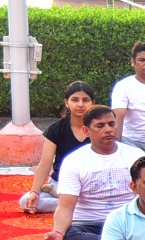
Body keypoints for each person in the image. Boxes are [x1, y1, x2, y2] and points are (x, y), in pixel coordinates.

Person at [43, 105, 143, 240]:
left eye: (111, 124)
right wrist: (58, 232)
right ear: (86, 131)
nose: (108, 129)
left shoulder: (135, 155)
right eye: (100, 125)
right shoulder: (74, 161)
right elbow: (65, 206)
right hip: (88, 226)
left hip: (128, 222)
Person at [20, 81, 93, 216]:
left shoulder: (98, 127)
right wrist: (34, 192)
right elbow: (46, 163)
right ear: (67, 103)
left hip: (91, 184)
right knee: (25, 200)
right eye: (75, 100)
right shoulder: (56, 129)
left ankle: (69, 202)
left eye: (85, 100)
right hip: (61, 183)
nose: (80, 104)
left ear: (92, 103)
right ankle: (79, 205)